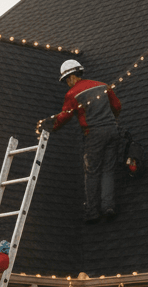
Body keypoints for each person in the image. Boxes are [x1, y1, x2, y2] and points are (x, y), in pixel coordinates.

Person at [38, 59, 122, 223]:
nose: (67, 84)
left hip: (94, 134)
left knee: (92, 172)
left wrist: (49, 126)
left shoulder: (72, 94)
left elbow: (65, 116)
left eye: (66, 81)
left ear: (70, 77)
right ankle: (108, 206)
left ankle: (92, 211)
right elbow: (117, 107)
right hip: (112, 130)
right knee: (108, 169)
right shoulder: (103, 86)